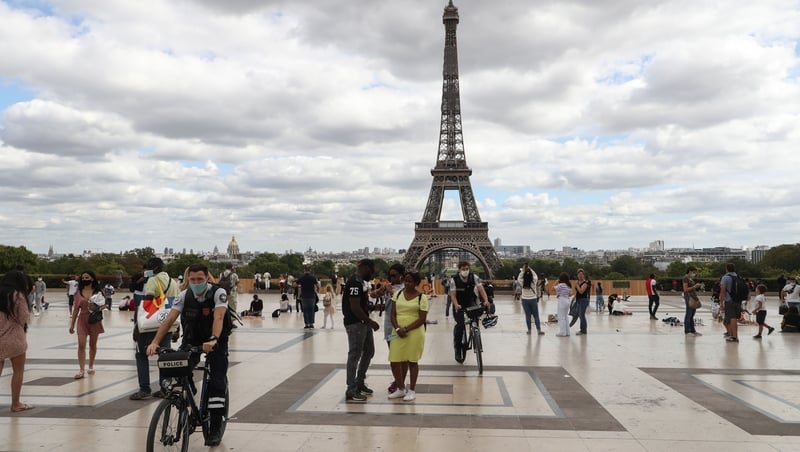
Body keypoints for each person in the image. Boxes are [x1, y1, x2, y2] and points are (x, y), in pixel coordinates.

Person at [146, 263, 230, 447]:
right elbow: (169, 319)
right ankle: (187, 397)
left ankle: (215, 427)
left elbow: (219, 317)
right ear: (188, 279)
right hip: (192, 339)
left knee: (216, 382)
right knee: (179, 369)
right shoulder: (184, 296)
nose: (196, 282)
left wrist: (214, 339)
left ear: (207, 278)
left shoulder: (218, 293)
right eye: (192, 279)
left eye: (200, 279)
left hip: (215, 340)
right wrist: (155, 342)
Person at [129, 257, 180, 400]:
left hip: (151, 325)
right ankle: (165, 388)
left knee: (141, 355)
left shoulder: (153, 280)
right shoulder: (173, 282)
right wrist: (177, 328)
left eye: (147, 268)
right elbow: (176, 306)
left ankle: (144, 389)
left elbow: (147, 305)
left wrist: (138, 327)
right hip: (168, 325)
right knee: (164, 356)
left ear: (155, 269)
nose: (146, 271)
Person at [342, 259, 384, 403]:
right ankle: (351, 389)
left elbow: (361, 304)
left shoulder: (360, 283)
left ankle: (359, 382)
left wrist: (374, 308)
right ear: (365, 268)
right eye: (372, 271)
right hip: (355, 324)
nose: (372, 275)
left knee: (369, 352)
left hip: (362, 323)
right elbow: (354, 307)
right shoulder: (354, 283)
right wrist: (370, 322)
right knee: (354, 355)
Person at [388, 271, 428, 402]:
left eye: (410, 281)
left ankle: (412, 390)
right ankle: (400, 388)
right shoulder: (397, 294)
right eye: (405, 280)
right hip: (397, 331)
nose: (406, 283)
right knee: (394, 360)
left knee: (412, 361)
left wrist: (406, 329)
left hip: (414, 332)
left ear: (416, 283)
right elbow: (392, 314)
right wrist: (398, 328)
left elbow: (422, 319)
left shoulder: (422, 298)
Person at [0, 271, 33, 412]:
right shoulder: (17, 295)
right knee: (18, 371)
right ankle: (15, 403)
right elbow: (24, 316)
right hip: (15, 338)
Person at [449, 261, 490, 363]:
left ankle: (475, 331)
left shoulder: (474, 277)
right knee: (460, 325)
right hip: (459, 303)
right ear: (459, 270)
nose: (465, 271)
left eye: (467, 269)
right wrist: (456, 305)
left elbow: (481, 290)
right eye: (463, 269)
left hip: (470, 301)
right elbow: (453, 295)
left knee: (475, 315)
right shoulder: (454, 280)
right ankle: (458, 348)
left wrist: (486, 300)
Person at [68, 271, 105, 379]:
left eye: (87, 277)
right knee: (81, 344)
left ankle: (91, 365)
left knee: (93, 344)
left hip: (94, 320)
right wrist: (72, 325)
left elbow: (104, 305)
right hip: (82, 320)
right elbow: (75, 310)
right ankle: (81, 369)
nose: (85, 279)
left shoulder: (98, 292)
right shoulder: (78, 292)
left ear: (92, 278)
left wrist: (97, 307)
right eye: (83, 277)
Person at [384, 264, 405, 393]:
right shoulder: (388, 287)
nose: (391, 278)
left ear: (401, 276)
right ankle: (398, 381)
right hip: (389, 328)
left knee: (403, 356)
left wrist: (391, 292)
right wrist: (379, 291)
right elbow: (373, 296)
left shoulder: (405, 288)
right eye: (390, 275)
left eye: (394, 275)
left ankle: (399, 383)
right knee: (394, 356)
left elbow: (402, 303)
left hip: (401, 327)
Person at [518, 264, 543, 335]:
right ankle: (539, 330)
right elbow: (535, 276)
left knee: (528, 315)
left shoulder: (522, 282)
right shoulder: (534, 281)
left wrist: (523, 270)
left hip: (525, 299)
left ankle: (529, 330)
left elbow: (519, 278)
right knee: (536, 315)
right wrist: (530, 269)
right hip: (533, 299)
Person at [720, 263, 740, 343]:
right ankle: (733, 335)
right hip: (738, 300)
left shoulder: (725, 278)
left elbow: (723, 291)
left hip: (729, 300)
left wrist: (721, 302)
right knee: (734, 318)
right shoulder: (737, 277)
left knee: (732, 318)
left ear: (726, 269)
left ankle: (734, 336)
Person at [683, 266, 703, 337]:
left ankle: (692, 330)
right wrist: (694, 286)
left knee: (692, 315)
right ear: (690, 271)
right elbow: (685, 289)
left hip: (693, 297)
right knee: (688, 314)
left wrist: (696, 287)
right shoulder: (685, 278)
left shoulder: (690, 278)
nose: (694, 273)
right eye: (694, 272)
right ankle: (687, 331)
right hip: (689, 298)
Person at [570, 269, 591, 335]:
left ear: (583, 275)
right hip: (579, 300)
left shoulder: (585, 283)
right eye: (579, 275)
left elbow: (581, 291)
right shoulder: (578, 282)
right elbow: (577, 292)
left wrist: (577, 286)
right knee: (578, 314)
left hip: (583, 300)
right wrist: (574, 297)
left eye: (581, 274)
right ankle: (570, 326)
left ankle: (583, 330)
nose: (580, 276)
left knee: (581, 315)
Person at [554, 272, 572, 337]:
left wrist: (556, 283)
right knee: (565, 316)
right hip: (567, 300)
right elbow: (570, 294)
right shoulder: (568, 285)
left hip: (562, 300)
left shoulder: (561, 285)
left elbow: (553, 289)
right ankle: (567, 332)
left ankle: (562, 332)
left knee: (561, 317)